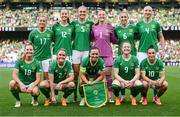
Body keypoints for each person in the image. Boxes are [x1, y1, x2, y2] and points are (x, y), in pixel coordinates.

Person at [91, 10, 118, 103]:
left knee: (108, 76)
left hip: (108, 54)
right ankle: (98, 95)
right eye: (100, 14)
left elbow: (114, 40)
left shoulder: (109, 27)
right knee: (97, 75)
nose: (101, 16)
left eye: (103, 14)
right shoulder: (93, 27)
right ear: (97, 16)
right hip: (97, 55)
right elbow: (91, 38)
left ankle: (110, 95)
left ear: (105, 16)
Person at [71, 5, 94, 102]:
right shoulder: (74, 23)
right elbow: (70, 36)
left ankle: (83, 96)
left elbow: (93, 36)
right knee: (76, 74)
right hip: (75, 51)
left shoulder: (90, 23)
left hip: (86, 51)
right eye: (80, 11)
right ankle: (74, 95)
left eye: (84, 12)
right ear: (77, 12)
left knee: (84, 74)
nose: (82, 13)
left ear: (86, 12)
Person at [114, 11, 137, 102]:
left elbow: (138, 35)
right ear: (119, 18)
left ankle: (132, 95)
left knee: (133, 74)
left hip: (132, 54)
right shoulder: (117, 29)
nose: (123, 18)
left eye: (125, 17)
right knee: (121, 73)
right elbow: (114, 39)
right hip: (121, 54)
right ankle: (122, 95)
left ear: (128, 18)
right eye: (122, 17)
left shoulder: (133, 27)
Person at [9, 43, 41, 107]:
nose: (29, 51)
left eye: (31, 49)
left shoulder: (37, 63)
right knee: (12, 83)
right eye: (27, 49)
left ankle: (34, 99)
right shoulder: (19, 61)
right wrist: (21, 84)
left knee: (35, 91)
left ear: (33, 51)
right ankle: (18, 100)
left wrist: (32, 86)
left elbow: (38, 79)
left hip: (31, 84)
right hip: (21, 83)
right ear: (24, 51)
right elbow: (14, 75)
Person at [111, 42, 143, 106]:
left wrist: (131, 81)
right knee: (114, 85)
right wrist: (124, 81)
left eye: (128, 47)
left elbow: (137, 73)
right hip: (121, 81)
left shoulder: (135, 59)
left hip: (132, 81)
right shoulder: (118, 59)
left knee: (140, 85)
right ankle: (118, 98)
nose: (126, 48)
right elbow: (116, 74)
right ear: (122, 49)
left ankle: (133, 97)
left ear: (131, 49)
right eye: (125, 47)